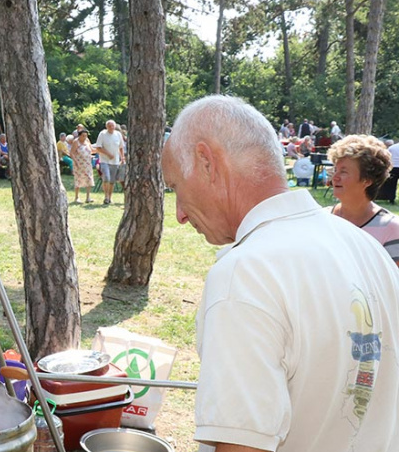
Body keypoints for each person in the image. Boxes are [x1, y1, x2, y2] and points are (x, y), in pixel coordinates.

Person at [162, 95, 399, 452]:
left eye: (176, 187)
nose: (180, 213)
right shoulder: (366, 247)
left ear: (207, 162)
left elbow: (242, 445)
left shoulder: (246, 273)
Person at [325, 135, 399, 267]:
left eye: (343, 172)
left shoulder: (391, 229)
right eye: (335, 170)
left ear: (367, 180)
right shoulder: (322, 218)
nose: (335, 177)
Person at [93, 120, 125, 205]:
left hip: (115, 161)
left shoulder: (118, 134)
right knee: (106, 177)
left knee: (112, 180)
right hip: (104, 160)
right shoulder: (102, 134)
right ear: (106, 127)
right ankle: (106, 196)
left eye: (112, 126)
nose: (111, 127)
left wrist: (122, 157)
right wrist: (108, 154)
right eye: (109, 126)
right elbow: (98, 148)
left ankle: (109, 198)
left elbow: (121, 147)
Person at [69, 128, 95, 203]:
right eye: (83, 136)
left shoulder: (87, 141)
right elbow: (72, 153)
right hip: (78, 163)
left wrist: (101, 150)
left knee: (88, 178)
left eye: (86, 136)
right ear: (79, 135)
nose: (84, 137)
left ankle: (88, 197)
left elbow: (92, 150)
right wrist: (76, 161)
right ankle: (77, 197)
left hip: (87, 163)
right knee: (78, 179)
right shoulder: (76, 142)